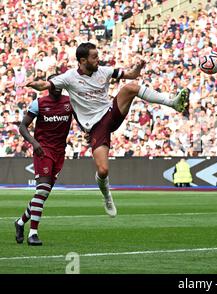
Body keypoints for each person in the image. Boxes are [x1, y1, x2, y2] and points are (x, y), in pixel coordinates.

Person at [26, 42, 190, 218]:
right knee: (103, 170)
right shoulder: (69, 77)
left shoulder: (104, 71)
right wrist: (33, 84)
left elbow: (132, 75)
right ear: (82, 60)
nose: (98, 59)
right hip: (95, 127)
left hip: (110, 113)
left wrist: (138, 67)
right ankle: (107, 195)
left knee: (131, 87)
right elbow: (45, 85)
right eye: (94, 57)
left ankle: (172, 103)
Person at [15, 74, 73, 246]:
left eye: (60, 83)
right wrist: (34, 143)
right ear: (48, 85)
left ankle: (19, 223)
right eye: (54, 84)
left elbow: (80, 119)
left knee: (43, 193)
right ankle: (33, 233)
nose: (57, 86)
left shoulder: (70, 102)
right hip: (43, 150)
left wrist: (87, 132)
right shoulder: (39, 103)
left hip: (59, 152)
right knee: (42, 191)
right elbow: (22, 126)